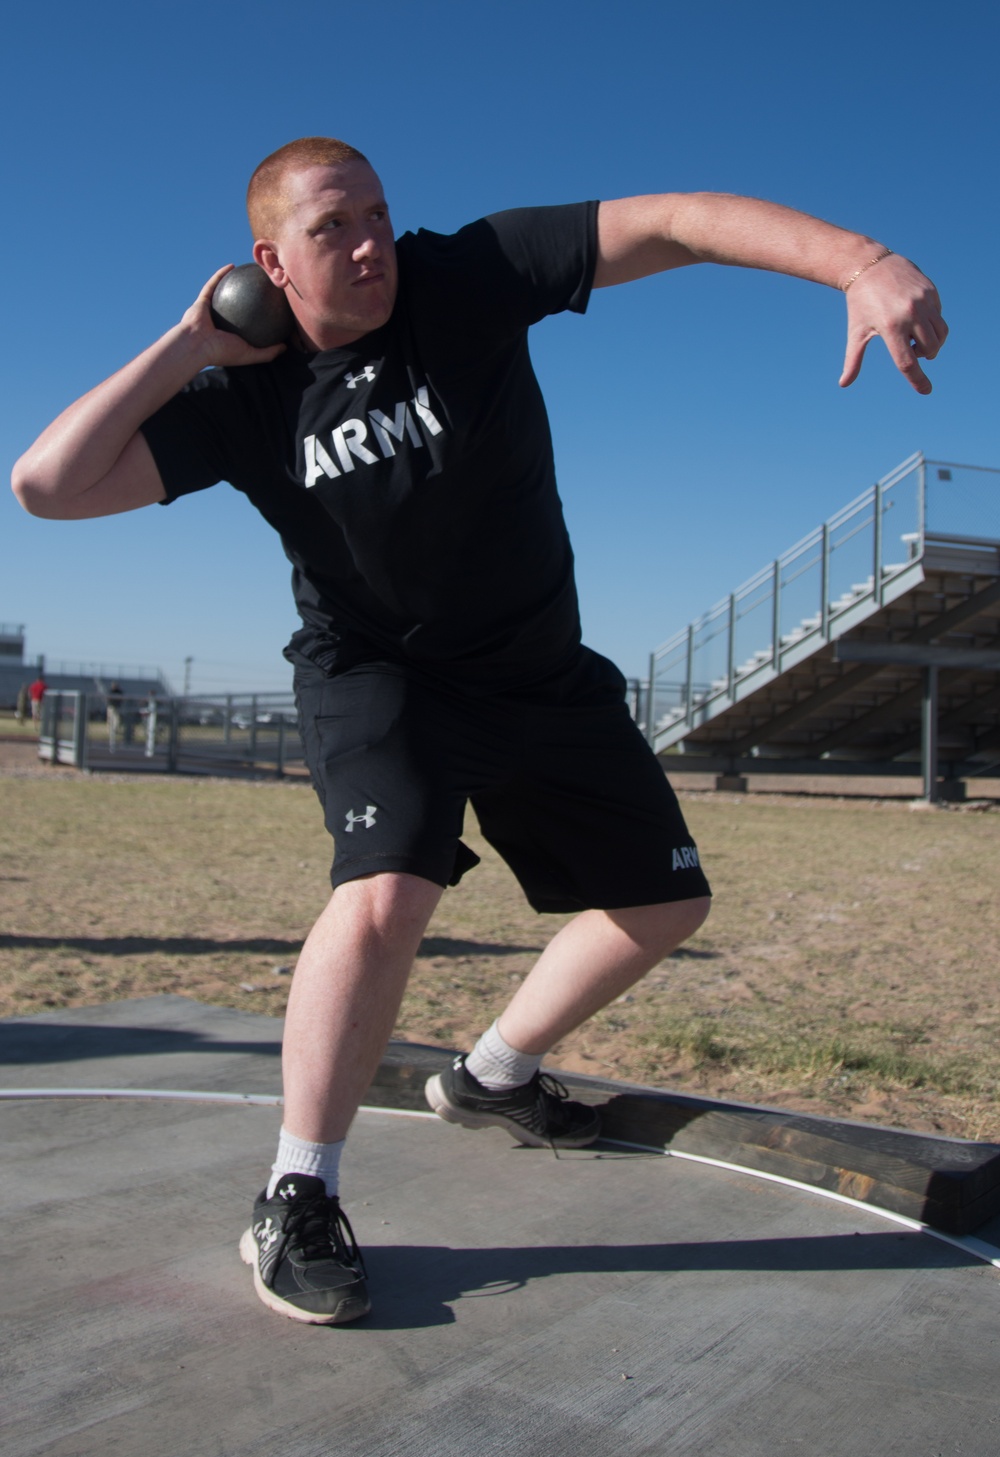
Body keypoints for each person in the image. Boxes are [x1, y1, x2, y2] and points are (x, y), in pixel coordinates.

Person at [11, 137, 947, 1327]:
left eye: (379, 218)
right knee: (389, 889)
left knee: (664, 905)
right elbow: (47, 484)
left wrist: (858, 261)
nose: (369, 248)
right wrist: (195, 341)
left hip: (536, 670)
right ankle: (298, 1192)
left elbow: (679, 217)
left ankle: (493, 1075)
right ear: (265, 264)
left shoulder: (466, 274)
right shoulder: (244, 394)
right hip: (378, 675)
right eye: (333, 229)